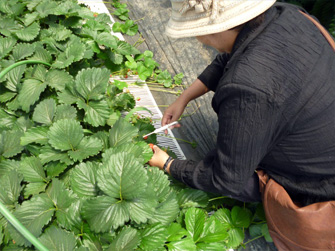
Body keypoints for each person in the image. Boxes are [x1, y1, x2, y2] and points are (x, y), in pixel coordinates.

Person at [148, 0, 335, 249]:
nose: (198, 40)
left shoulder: (247, 90)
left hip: (319, 182)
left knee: (234, 169)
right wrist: (185, 97)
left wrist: (169, 164)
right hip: (321, 132)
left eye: (196, 33)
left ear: (211, 30)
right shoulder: (284, 13)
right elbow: (232, 55)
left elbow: (226, 180)